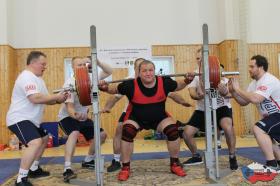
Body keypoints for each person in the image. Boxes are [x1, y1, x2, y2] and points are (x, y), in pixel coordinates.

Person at [99, 59, 194, 181]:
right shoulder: (130, 85)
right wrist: (104, 88)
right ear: (139, 72)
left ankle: (174, 164)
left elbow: (178, 86)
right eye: (144, 71)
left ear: (154, 71)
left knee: (173, 130)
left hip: (159, 118)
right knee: (127, 131)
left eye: (150, 70)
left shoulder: (164, 82)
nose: (148, 73)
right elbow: (114, 90)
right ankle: (125, 168)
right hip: (137, 118)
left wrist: (187, 80)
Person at [6, 51, 69, 186]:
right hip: (18, 118)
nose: (45, 67)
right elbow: (34, 98)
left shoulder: (39, 79)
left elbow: (47, 100)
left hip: (31, 121)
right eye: (43, 64)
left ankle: (34, 168)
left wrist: (60, 99)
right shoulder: (26, 77)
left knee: (45, 138)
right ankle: (21, 179)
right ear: (33, 63)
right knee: (35, 142)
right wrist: (56, 97)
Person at [58, 56, 112, 182]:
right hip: (68, 116)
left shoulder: (92, 79)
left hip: (83, 117)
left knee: (102, 135)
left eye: (84, 65)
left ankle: (88, 160)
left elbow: (109, 71)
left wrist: (97, 62)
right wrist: (76, 115)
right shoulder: (69, 83)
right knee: (74, 133)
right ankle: (67, 169)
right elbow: (70, 108)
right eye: (79, 65)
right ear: (73, 67)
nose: (82, 67)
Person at [182, 48, 238, 170]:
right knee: (187, 133)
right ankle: (196, 156)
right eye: (197, 59)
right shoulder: (195, 75)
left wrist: (225, 92)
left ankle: (232, 156)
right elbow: (192, 94)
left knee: (228, 128)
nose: (200, 62)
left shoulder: (220, 73)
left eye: (202, 59)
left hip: (221, 106)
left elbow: (231, 94)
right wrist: (200, 94)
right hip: (203, 109)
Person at [228, 55, 280, 170]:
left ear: (260, 67)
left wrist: (237, 89)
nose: (249, 69)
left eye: (252, 66)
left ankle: (272, 164)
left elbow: (255, 99)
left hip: (278, 116)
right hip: (273, 118)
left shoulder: (268, 80)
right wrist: (233, 92)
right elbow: (244, 102)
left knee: (258, 128)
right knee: (267, 135)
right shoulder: (254, 84)